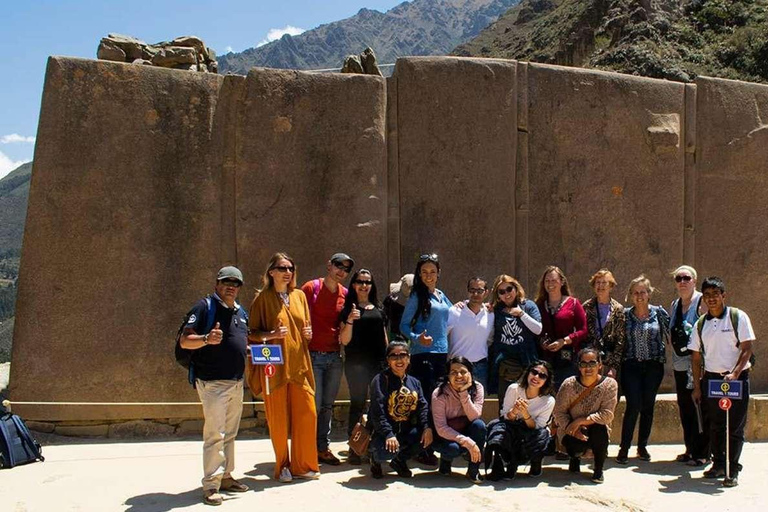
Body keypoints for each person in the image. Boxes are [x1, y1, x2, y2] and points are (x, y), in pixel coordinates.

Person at [180, 266, 250, 506]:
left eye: (236, 283)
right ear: (217, 284)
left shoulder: (241, 312)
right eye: (226, 281)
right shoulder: (204, 307)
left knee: (230, 433)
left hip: (236, 382)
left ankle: (227, 476)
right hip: (212, 383)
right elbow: (185, 340)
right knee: (215, 435)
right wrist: (206, 339)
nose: (231, 286)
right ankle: (211, 485)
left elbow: (238, 341)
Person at [247, 253, 319, 483]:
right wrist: (272, 335)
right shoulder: (262, 299)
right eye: (282, 268)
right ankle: (283, 465)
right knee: (278, 420)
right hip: (273, 366)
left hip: (299, 365)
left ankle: (302, 464)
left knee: (308, 414)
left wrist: (308, 334)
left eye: (291, 268)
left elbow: (305, 329)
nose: (288, 272)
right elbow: (251, 334)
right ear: (271, 272)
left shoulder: (299, 296)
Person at [690, 276, 756, 488]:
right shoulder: (701, 324)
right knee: (716, 425)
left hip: (735, 380)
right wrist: (698, 387)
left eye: (715, 295)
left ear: (723, 296)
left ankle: (732, 468)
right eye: (707, 295)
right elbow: (696, 358)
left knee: (734, 426)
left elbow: (747, 348)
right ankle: (718, 464)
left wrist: (735, 373)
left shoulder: (737, 317)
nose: (711, 299)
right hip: (712, 380)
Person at [301, 252, 353, 466]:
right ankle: (306, 449)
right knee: (313, 404)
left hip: (334, 356)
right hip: (313, 355)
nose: (341, 271)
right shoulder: (310, 288)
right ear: (328, 265)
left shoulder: (345, 293)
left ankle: (322, 447)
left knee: (327, 406)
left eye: (346, 269)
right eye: (338, 265)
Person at [399, 253, 452, 466]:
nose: (428, 276)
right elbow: (404, 326)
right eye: (424, 272)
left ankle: (433, 444)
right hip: (423, 356)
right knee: (425, 404)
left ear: (438, 273)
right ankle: (423, 449)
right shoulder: (416, 297)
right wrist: (416, 338)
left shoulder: (441, 295)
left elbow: (453, 314)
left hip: (441, 355)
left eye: (432, 271)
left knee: (438, 402)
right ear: (418, 275)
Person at [616, 275, 669, 464]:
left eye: (643, 292)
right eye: (636, 292)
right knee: (633, 405)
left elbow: (673, 333)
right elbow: (617, 340)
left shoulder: (659, 313)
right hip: (631, 365)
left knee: (648, 405)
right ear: (631, 295)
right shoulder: (624, 315)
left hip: (654, 366)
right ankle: (624, 448)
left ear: (649, 293)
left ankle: (642, 447)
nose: (639, 296)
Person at [339, 268, 388, 464]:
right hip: (356, 365)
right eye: (360, 281)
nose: (364, 285)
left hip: (377, 363)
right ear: (353, 284)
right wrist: (350, 320)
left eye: (367, 282)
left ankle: (374, 446)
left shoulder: (379, 308)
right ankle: (355, 448)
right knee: (357, 405)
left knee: (378, 405)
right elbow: (345, 340)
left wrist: (389, 360)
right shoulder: (348, 309)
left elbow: (384, 337)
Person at [368, 341, 433, 479]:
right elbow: (377, 411)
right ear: (388, 360)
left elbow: (423, 406)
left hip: (405, 430)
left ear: (409, 358)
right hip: (383, 432)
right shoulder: (380, 380)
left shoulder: (414, 382)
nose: (399, 360)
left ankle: (400, 461)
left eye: (403, 355)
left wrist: (427, 427)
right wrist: (388, 434)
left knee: (427, 437)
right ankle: (375, 459)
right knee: (386, 452)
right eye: (394, 356)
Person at [553, 348, 618, 484]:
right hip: (570, 428)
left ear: (600, 365)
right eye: (584, 364)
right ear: (579, 366)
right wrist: (574, 428)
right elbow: (559, 412)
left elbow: (607, 415)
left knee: (600, 430)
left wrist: (581, 421)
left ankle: (598, 469)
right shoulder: (569, 384)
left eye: (592, 363)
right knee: (574, 446)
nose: (588, 368)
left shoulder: (610, 385)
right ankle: (574, 458)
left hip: (595, 428)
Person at [486, 360, 555, 480]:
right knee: (496, 427)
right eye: (534, 372)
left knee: (542, 435)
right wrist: (514, 411)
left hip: (531, 432)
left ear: (546, 381)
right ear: (528, 373)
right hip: (513, 426)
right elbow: (504, 417)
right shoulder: (514, 389)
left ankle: (535, 463)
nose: (536, 377)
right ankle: (501, 464)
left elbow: (538, 426)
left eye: (542, 376)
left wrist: (525, 413)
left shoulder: (548, 401)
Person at [669, 265, 709, 467]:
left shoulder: (701, 302)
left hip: (697, 365)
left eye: (686, 278)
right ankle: (690, 448)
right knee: (685, 407)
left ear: (694, 280)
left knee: (698, 407)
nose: (682, 282)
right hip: (679, 365)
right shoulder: (675, 304)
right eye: (678, 278)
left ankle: (702, 453)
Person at [431, 356, 486, 484]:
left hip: (465, 427)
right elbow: (441, 428)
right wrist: (468, 442)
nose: (459, 375)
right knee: (453, 449)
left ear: (470, 374)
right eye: (454, 372)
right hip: (444, 434)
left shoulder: (477, 388)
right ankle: (445, 462)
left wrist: (463, 393)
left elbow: (474, 417)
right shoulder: (439, 393)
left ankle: (473, 471)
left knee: (479, 426)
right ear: (448, 376)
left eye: (463, 372)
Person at [488, 275, 542, 402]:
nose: (506, 293)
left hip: (526, 362)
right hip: (505, 365)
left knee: (526, 402)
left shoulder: (528, 306)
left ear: (516, 288)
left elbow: (538, 329)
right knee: (505, 402)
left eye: (509, 289)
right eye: (501, 291)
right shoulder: (496, 309)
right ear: (498, 295)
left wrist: (521, 314)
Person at [536, 266, 588, 389]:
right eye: (547, 281)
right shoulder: (539, 305)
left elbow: (584, 330)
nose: (550, 284)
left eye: (553, 280)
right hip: (545, 359)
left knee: (565, 393)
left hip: (567, 358)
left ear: (562, 281)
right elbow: (535, 330)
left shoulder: (573, 303)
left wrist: (564, 341)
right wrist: (541, 341)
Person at [446, 277, 494, 390]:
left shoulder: (490, 314)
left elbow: (490, 339)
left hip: (480, 368)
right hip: (457, 367)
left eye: (480, 290)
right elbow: (442, 336)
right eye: (472, 290)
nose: (475, 294)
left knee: (479, 404)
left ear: (486, 293)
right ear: (467, 292)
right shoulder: (454, 311)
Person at [581, 269, 625, 378]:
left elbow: (620, 340)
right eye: (597, 282)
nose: (600, 286)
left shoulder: (617, 309)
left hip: (609, 363)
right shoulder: (586, 307)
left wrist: (614, 367)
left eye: (604, 282)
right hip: (590, 363)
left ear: (610, 286)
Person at [383, 274, 414, 341]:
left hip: (412, 336)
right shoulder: (391, 299)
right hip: (395, 333)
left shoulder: (390, 299)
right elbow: (384, 320)